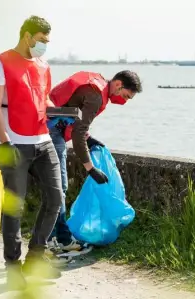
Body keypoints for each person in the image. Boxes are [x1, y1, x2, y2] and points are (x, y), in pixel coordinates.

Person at [0, 15, 68, 290]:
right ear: (27, 36)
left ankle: (35, 257)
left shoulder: (43, 66)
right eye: (42, 40)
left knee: (56, 197)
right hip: (14, 143)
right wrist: (5, 141)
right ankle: (12, 267)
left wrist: (63, 112)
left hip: (43, 141)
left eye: (47, 41)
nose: (44, 45)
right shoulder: (0, 62)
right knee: (15, 206)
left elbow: (43, 100)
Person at [47, 70, 142, 254]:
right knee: (59, 188)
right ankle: (54, 240)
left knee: (56, 189)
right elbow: (77, 134)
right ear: (118, 84)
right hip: (52, 131)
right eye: (126, 96)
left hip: (49, 126)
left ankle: (59, 238)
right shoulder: (96, 96)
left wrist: (89, 138)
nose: (124, 101)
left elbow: (74, 114)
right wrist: (91, 169)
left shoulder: (96, 85)